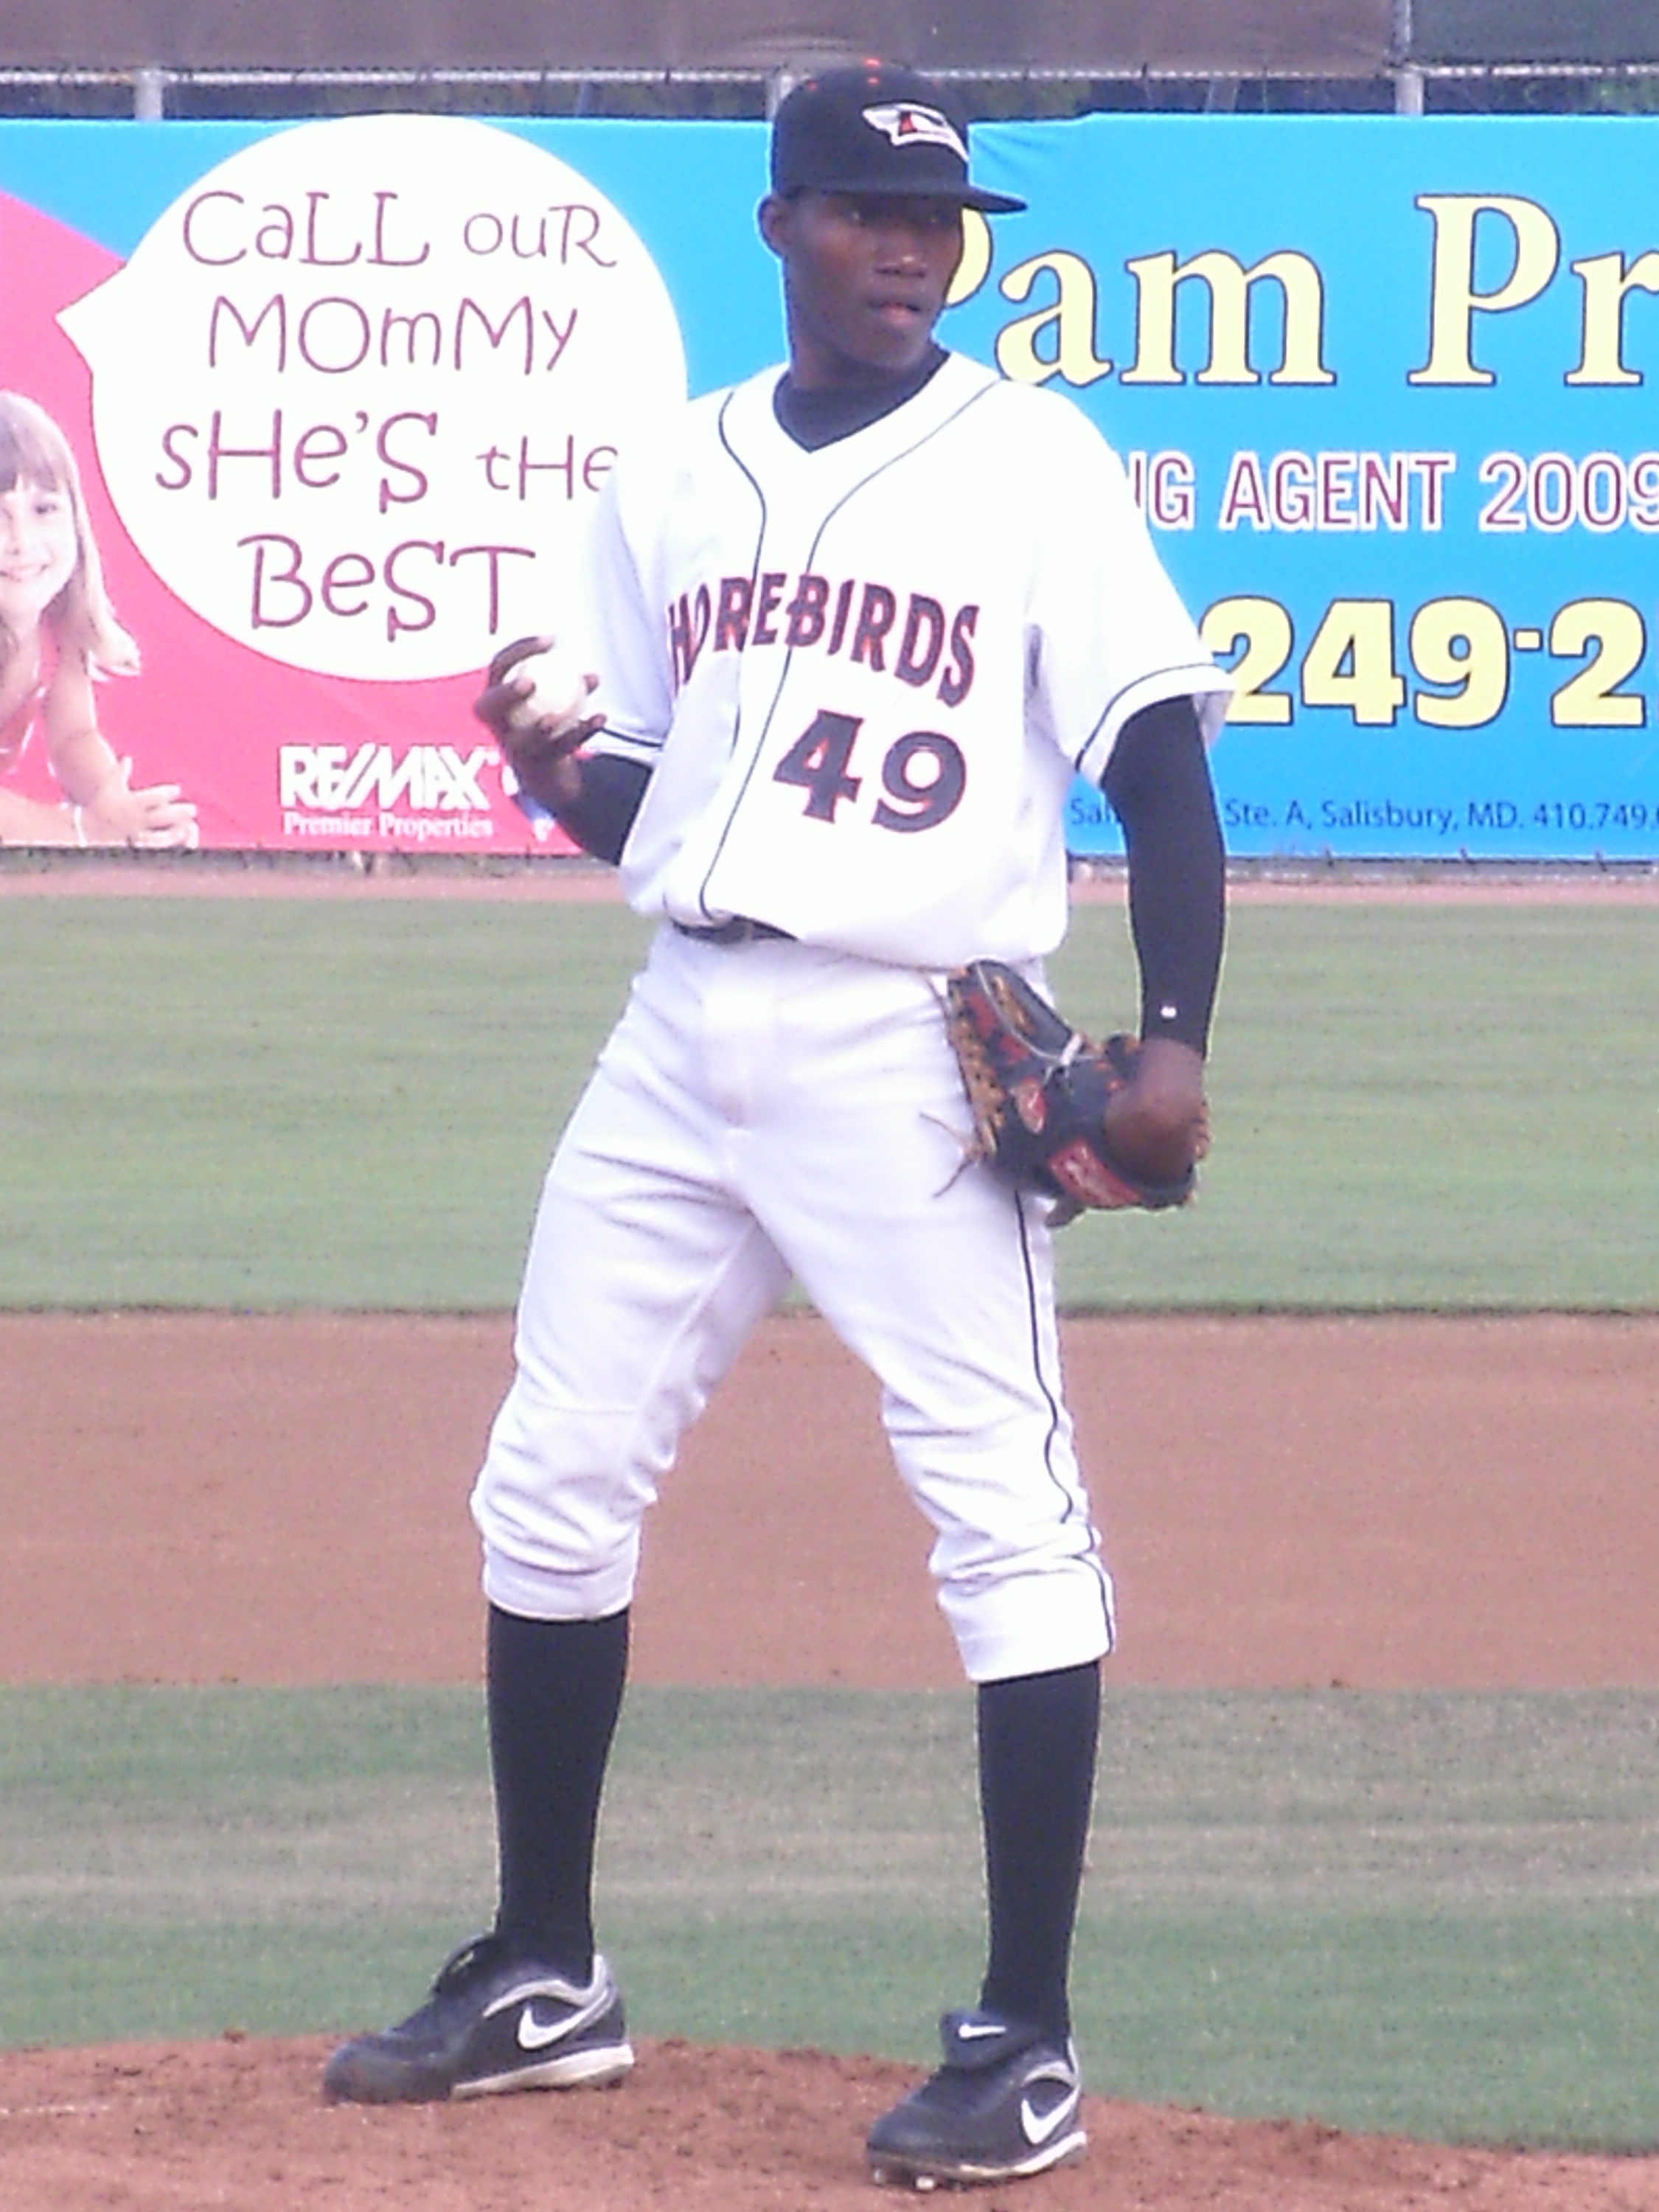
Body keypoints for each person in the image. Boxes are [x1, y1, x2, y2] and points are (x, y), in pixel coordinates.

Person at [324, 62, 1229, 2191]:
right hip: (680, 1029)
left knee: (1003, 1522)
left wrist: (1175, 1042)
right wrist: (555, 768)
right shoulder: (679, 476)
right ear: (779, 230)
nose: (911, 249)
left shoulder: (1031, 464)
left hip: (910, 1045)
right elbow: (668, 798)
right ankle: (547, 1974)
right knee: (549, 1476)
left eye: (937, 221)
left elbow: (1161, 759)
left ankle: (1026, 2045)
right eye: (863, 212)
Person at [0, 391, 197, 849]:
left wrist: (122, 808)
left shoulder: (56, 624)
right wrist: (79, 829)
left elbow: (73, 736)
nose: (21, 541)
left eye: (44, 509)